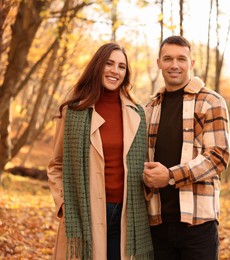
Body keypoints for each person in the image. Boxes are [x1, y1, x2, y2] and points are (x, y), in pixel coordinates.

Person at [47, 42, 153, 260]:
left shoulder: (138, 113)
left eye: (122, 66)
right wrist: (65, 204)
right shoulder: (73, 112)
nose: (115, 71)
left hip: (127, 213)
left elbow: (143, 163)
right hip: (85, 210)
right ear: (97, 66)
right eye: (109, 63)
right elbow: (56, 165)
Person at [142, 35, 230, 260]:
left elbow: (218, 156)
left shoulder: (211, 101)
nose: (174, 65)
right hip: (157, 222)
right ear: (159, 63)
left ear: (191, 63)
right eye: (168, 58)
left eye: (181, 59)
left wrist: (170, 176)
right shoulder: (150, 108)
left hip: (197, 223)